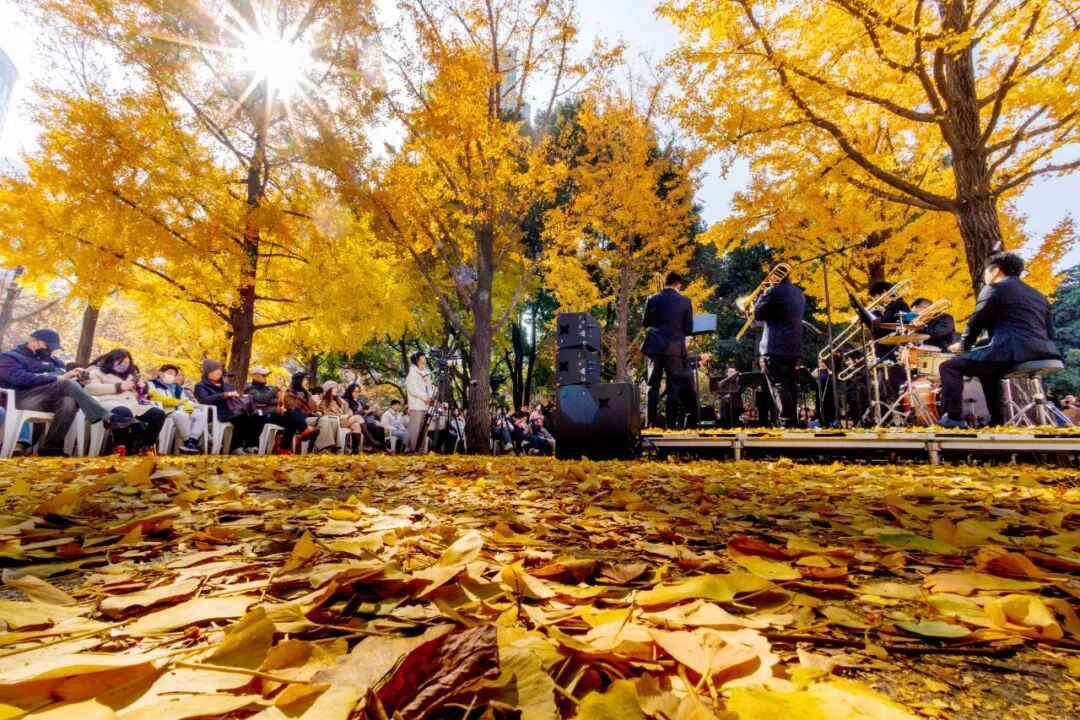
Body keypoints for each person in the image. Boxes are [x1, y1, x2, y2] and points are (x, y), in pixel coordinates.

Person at [938, 252, 1062, 428]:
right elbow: (1049, 332)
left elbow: (976, 322)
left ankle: (954, 419)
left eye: (985, 272)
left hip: (1011, 352)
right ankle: (996, 421)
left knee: (949, 367)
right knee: (988, 369)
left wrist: (963, 345)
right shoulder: (1039, 296)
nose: (984, 276)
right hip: (1044, 352)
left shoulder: (995, 288)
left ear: (995, 271)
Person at [0, 329, 134, 455]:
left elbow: (67, 385)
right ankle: (106, 416)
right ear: (35, 341)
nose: (51, 350)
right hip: (20, 399)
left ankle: (51, 448)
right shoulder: (10, 357)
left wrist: (79, 382)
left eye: (54, 348)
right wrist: (58, 378)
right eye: (49, 346)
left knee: (68, 401)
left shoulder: (55, 361)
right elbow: (18, 378)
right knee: (66, 384)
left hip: (48, 400)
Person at [84, 349, 168, 455]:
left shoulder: (130, 376)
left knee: (158, 414)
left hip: (134, 404)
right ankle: (119, 446)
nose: (123, 365)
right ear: (111, 360)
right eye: (119, 362)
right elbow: (91, 389)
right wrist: (118, 387)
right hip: (110, 402)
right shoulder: (96, 373)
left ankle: (147, 447)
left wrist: (142, 388)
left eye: (126, 363)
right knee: (123, 412)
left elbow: (140, 395)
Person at [641, 271, 694, 428]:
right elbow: (688, 328)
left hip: (655, 347)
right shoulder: (685, 301)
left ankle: (650, 424)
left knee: (652, 386)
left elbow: (645, 323)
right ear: (678, 284)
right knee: (673, 386)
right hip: (675, 349)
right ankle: (670, 425)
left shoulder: (652, 298)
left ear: (665, 283)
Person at [753, 272, 805, 427]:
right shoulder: (799, 293)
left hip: (775, 345)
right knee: (790, 384)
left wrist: (761, 296)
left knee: (778, 383)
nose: (769, 279)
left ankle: (787, 421)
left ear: (775, 275)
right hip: (794, 345)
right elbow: (778, 313)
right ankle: (793, 421)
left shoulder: (772, 291)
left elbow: (758, 314)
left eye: (771, 275)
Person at [194, 359, 266, 454]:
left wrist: (240, 396)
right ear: (208, 372)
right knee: (241, 417)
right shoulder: (201, 386)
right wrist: (224, 395)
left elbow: (232, 399)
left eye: (220, 370)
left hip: (231, 410)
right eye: (216, 370)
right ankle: (237, 447)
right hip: (216, 413)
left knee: (259, 418)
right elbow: (204, 400)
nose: (219, 372)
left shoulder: (227, 386)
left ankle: (250, 445)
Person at [243, 366, 313, 454]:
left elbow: (277, 400)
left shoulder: (268, 388)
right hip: (262, 415)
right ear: (253, 375)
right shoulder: (250, 387)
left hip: (275, 414)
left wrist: (278, 394)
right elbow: (262, 399)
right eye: (263, 375)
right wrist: (276, 389)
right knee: (291, 415)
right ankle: (304, 431)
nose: (266, 377)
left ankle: (284, 447)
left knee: (293, 416)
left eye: (266, 375)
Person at [147, 364, 205, 453]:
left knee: (201, 415)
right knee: (182, 415)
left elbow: (185, 400)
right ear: (160, 373)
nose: (172, 376)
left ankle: (192, 441)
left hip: (178, 410)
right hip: (163, 411)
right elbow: (155, 398)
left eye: (174, 375)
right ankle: (187, 442)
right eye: (170, 373)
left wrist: (188, 407)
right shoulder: (151, 384)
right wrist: (177, 402)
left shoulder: (177, 387)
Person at [283, 371, 337, 452]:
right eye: (305, 379)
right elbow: (291, 407)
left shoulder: (307, 393)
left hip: (311, 416)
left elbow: (315, 407)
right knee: (325, 420)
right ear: (299, 380)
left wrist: (320, 412)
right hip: (300, 420)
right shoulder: (289, 392)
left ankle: (333, 449)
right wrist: (300, 397)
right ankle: (322, 449)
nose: (306, 381)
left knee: (334, 421)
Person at [319, 381, 365, 450]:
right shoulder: (325, 402)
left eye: (336, 388)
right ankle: (371, 439)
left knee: (356, 425)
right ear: (328, 389)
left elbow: (349, 410)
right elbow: (327, 415)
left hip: (345, 421)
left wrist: (347, 414)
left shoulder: (339, 400)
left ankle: (355, 451)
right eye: (334, 388)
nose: (337, 389)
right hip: (336, 422)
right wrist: (344, 416)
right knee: (358, 417)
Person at [405, 351, 434, 452]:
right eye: (423, 356)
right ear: (417, 359)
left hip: (426, 405)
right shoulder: (412, 374)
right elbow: (413, 390)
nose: (425, 357)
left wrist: (430, 397)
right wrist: (425, 398)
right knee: (415, 429)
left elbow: (430, 387)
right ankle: (410, 449)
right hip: (416, 405)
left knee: (423, 429)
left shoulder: (426, 373)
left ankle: (420, 449)